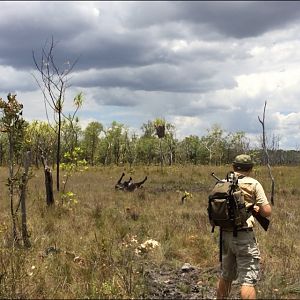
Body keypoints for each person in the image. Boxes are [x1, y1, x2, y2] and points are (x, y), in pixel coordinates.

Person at [216, 154, 272, 299]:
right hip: (244, 236)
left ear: (233, 167)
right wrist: (256, 209)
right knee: (248, 279)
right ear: (251, 168)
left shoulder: (221, 183)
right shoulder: (253, 184)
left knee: (226, 276)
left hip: (225, 235)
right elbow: (267, 212)